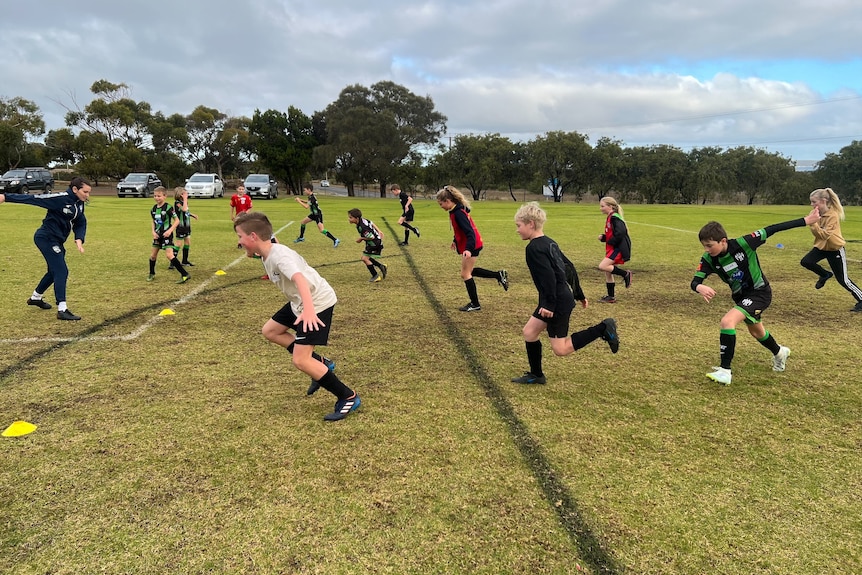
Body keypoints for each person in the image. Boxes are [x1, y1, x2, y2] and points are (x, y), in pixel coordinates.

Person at [234, 211, 360, 421]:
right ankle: (322, 363)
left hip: (316, 303)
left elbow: (300, 279)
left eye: (240, 236)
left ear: (254, 236)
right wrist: (249, 246)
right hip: (298, 302)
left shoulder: (280, 257)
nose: (239, 241)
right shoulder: (267, 249)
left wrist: (309, 310)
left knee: (300, 360)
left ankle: (348, 396)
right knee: (271, 331)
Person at [691, 210, 820, 386]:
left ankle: (725, 371)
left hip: (760, 293)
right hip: (740, 297)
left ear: (723, 241)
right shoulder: (709, 259)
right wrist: (700, 286)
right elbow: (695, 281)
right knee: (757, 332)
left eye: (709, 245)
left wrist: (806, 220)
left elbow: (773, 228)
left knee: (727, 321)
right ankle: (780, 352)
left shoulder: (744, 243)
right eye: (704, 246)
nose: (706, 249)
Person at [510, 202, 619, 384]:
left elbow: (549, 279)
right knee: (529, 332)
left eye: (518, 226)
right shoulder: (549, 242)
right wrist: (578, 293)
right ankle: (536, 375)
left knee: (560, 349)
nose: (517, 230)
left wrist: (548, 304)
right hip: (558, 298)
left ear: (530, 224)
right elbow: (568, 267)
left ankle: (603, 328)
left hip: (556, 302)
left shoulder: (534, 248)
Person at [0, 176, 91, 321]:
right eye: (85, 192)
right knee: (61, 270)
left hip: (57, 240)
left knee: (53, 271)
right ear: (75, 189)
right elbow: (34, 199)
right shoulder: (59, 198)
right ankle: (62, 309)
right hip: (46, 238)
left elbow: (81, 221)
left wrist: (79, 239)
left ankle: (36, 297)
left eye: (88, 192)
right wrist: (5, 197)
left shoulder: (79, 203)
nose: (87, 195)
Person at [436, 185, 508, 312]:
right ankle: (498, 275)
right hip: (472, 244)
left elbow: (470, 232)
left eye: (441, 204)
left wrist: (468, 249)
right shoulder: (455, 211)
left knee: (465, 274)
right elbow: (460, 230)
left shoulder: (458, 213)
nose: (440, 207)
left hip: (472, 245)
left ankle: (475, 304)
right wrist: (455, 240)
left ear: (448, 201)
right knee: (469, 272)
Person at [800, 187, 862, 312]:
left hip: (835, 249)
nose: (812, 205)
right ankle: (825, 274)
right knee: (806, 261)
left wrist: (813, 223)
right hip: (821, 247)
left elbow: (824, 235)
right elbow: (819, 236)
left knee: (843, 280)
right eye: (811, 202)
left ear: (823, 201)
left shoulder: (833, 215)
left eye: (814, 202)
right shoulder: (817, 214)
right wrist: (814, 222)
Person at [148, 186, 191, 283]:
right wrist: (153, 232)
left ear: (165, 196)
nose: (157, 198)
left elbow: (177, 220)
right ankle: (151, 273)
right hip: (157, 235)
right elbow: (153, 221)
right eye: (155, 196)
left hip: (167, 235)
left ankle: (185, 274)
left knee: (169, 255)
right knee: (153, 256)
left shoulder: (168, 208)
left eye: (159, 196)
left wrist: (170, 231)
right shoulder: (153, 209)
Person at [597, 196, 632, 303]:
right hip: (613, 247)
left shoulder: (615, 217)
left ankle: (625, 274)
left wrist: (610, 241)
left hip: (617, 248)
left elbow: (620, 233)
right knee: (608, 271)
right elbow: (613, 233)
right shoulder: (610, 217)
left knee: (603, 266)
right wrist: (604, 238)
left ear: (610, 206)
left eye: (602, 206)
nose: (600, 208)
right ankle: (611, 297)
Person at [293, 182, 340, 247]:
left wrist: (299, 201)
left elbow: (306, 206)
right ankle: (301, 238)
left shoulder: (312, 197)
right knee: (303, 222)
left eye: (305, 190)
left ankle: (335, 239)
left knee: (322, 230)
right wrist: (301, 199)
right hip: (313, 214)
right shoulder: (310, 196)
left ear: (309, 190)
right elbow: (308, 202)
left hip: (318, 215)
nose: (304, 191)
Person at [348, 208, 388, 282]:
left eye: (350, 217)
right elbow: (371, 222)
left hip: (374, 243)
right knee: (367, 257)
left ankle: (375, 276)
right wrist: (379, 231)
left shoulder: (362, 227)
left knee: (364, 258)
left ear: (356, 218)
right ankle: (381, 266)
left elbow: (371, 237)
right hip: (375, 241)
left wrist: (361, 238)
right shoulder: (363, 219)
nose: (349, 219)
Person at [169, 187, 197, 269]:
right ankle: (172, 262)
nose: (187, 194)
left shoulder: (184, 202)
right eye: (185, 193)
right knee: (178, 244)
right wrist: (185, 199)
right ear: (181, 194)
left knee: (187, 242)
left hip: (187, 226)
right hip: (180, 226)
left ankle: (185, 261)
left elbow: (186, 212)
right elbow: (184, 209)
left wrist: (192, 215)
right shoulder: (177, 203)